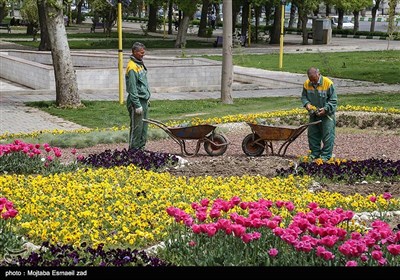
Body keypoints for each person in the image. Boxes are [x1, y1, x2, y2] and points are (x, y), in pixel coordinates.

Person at [301, 67, 338, 161]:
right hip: (314, 114)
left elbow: (333, 101)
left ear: (318, 74)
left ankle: (325, 156)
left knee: (328, 135)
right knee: (312, 135)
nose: (313, 81)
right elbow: (304, 97)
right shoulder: (306, 84)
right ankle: (315, 153)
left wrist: (325, 109)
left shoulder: (328, 83)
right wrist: (307, 104)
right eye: (311, 80)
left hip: (326, 115)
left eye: (314, 79)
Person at [125, 42, 151, 150]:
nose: (142, 54)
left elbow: (142, 84)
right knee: (137, 128)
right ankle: (134, 150)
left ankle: (141, 148)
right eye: (141, 53)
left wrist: (146, 98)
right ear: (134, 52)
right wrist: (137, 104)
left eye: (143, 53)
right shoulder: (132, 67)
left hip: (143, 100)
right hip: (137, 102)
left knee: (143, 128)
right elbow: (132, 88)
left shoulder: (140, 64)